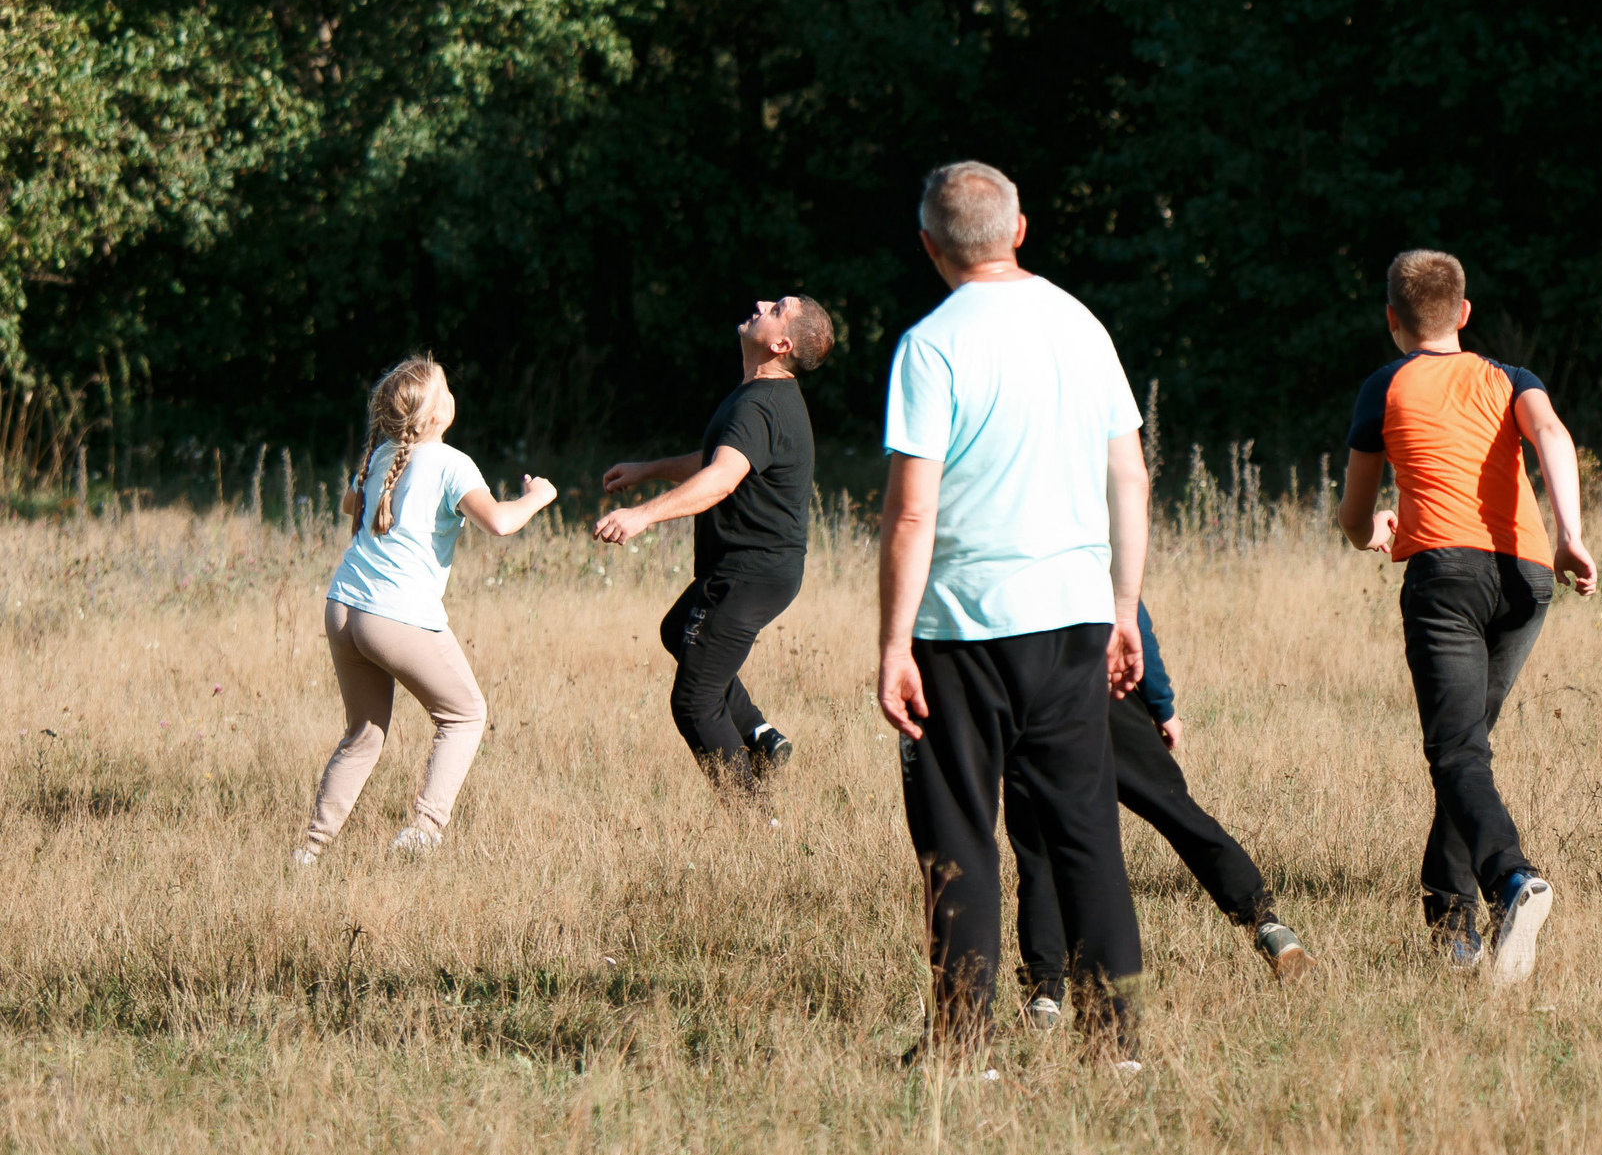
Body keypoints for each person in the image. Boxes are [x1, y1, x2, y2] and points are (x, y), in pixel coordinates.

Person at [875, 160, 1150, 1069]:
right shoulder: (1083, 325)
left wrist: (891, 643)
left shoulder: (930, 343)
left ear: (929, 247)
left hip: (961, 627)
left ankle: (965, 1045)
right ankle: (1117, 1045)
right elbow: (1129, 477)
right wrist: (1124, 610)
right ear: (1020, 228)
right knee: (1085, 832)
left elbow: (912, 510)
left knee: (959, 831)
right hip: (1073, 619)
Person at [1337, 249, 1597, 986]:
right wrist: (1569, 532)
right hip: (1526, 576)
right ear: (1465, 313)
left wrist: (1375, 531)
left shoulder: (1384, 387)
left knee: (1456, 754)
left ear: (1392, 319)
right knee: (1467, 750)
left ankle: (1514, 880)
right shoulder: (1511, 378)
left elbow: (1355, 515)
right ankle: (1452, 922)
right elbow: (1551, 435)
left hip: (1445, 577)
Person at [293, 356, 556, 864]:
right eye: (445, 391)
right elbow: (500, 523)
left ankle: (310, 851)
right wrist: (538, 496)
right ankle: (423, 831)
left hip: (343, 606)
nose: (452, 395)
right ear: (435, 417)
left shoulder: (382, 455)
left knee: (363, 734)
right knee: (465, 715)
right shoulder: (451, 463)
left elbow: (351, 506)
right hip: (394, 616)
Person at [1009, 600, 1312, 1026]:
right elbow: (1130, 615)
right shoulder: (1087, 533)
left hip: (1028, 693)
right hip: (1102, 688)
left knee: (1039, 850)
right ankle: (1268, 926)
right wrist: (1161, 704)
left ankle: (1045, 996)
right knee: (1177, 814)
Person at [594, 295, 834, 795]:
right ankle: (760, 734)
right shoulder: (756, 397)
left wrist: (643, 515)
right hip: (752, 568)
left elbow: (721, 479)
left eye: (778, 307)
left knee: (695, 701)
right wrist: (648, 470)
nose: (762, 303)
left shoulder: (762, 403)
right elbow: (720, 457)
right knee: (677, 628)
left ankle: (750, 822)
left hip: (752, 573)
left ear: (781, 343)